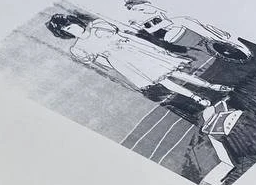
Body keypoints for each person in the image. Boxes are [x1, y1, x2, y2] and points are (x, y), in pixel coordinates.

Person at [46, 12, 233, 111]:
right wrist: (119, 65)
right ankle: (196, 97)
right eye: (67, 30)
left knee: (175, 71)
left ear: (75, 22)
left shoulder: (97, 26)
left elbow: (122, 36)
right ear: (65, 33)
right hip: (123, 63)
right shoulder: (78, 48)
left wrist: (151, 48)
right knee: (163, 81)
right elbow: (100, 62)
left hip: (136, 51)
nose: (73, 29)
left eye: (71, 25)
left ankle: (211, 86)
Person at [123, 0, 251, 61]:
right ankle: (218, 41)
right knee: (187, 22)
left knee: (189, 21)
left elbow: (166, 18)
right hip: (171, 34)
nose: (140, 10)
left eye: (139, 7)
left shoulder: (152, 10)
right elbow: (154, 30)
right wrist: (161, 25)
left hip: (177, 28)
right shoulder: (142, 18)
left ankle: (219, 39)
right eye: (136, 9)